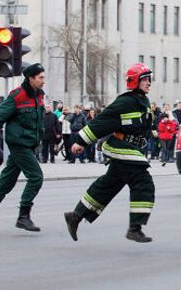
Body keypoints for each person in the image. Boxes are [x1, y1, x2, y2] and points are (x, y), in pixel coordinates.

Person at [63, 63, 156, 243]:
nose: (148, 82)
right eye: (145, 79)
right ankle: (134, 228)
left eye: (149, 79)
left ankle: (75, 216)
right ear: (135, 81)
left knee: (108, 184)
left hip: (133, 150)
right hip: (123, 149)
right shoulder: (125, 101)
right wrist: (80, 141)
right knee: (143, 183)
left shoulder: (143, 101)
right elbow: (102, 121)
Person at [0, 64, 46, 234]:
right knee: (36, 177)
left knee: (7, 181)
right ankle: (23, 216)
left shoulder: (39, 96)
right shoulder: (18, 95)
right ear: (31, 78)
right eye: (40, 77)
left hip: (29, 143)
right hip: (19, 143)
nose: (43, 81)